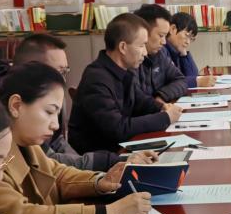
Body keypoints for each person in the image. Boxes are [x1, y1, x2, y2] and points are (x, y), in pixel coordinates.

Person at [0, 63, 155, 214]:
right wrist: (109, 213)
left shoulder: (27, 143)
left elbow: (56, 174)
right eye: (49, 112)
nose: (56, 125)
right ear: (16, 105)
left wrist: (100, 182)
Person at [0, 33, 120, 171]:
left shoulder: (44, 98)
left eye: (65, 71)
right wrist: (104, 162)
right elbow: (47, 163)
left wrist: (90, 173)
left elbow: (57, 145)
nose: (63, 80)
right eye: (58, 72)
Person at [68, 13, 182, 154]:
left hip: (120, 148)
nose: (145, 53)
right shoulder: (96, 79)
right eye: (141, 46)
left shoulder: (124, 71)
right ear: (123, 47)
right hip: (102, 157)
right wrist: (165, 117)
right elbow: (118, 128)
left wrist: (162, 107)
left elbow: (140, 101)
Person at [133, 4, 188, 102]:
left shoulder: (160, 53)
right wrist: (157, 105)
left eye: (165, 36)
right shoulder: (130, 59)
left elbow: (181, 80)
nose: (164, 42)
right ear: (144, 32)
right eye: (161, 35)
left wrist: (161, 96)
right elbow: (136, 101)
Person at [165, 12, 215, 89]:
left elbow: (193, 75)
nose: (188, 42)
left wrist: (184, 54)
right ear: (173, 29)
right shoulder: (162, 51)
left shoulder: (176, 51)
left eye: (191, 39)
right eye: (186, 35)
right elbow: (170, 82)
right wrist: (197, 82)